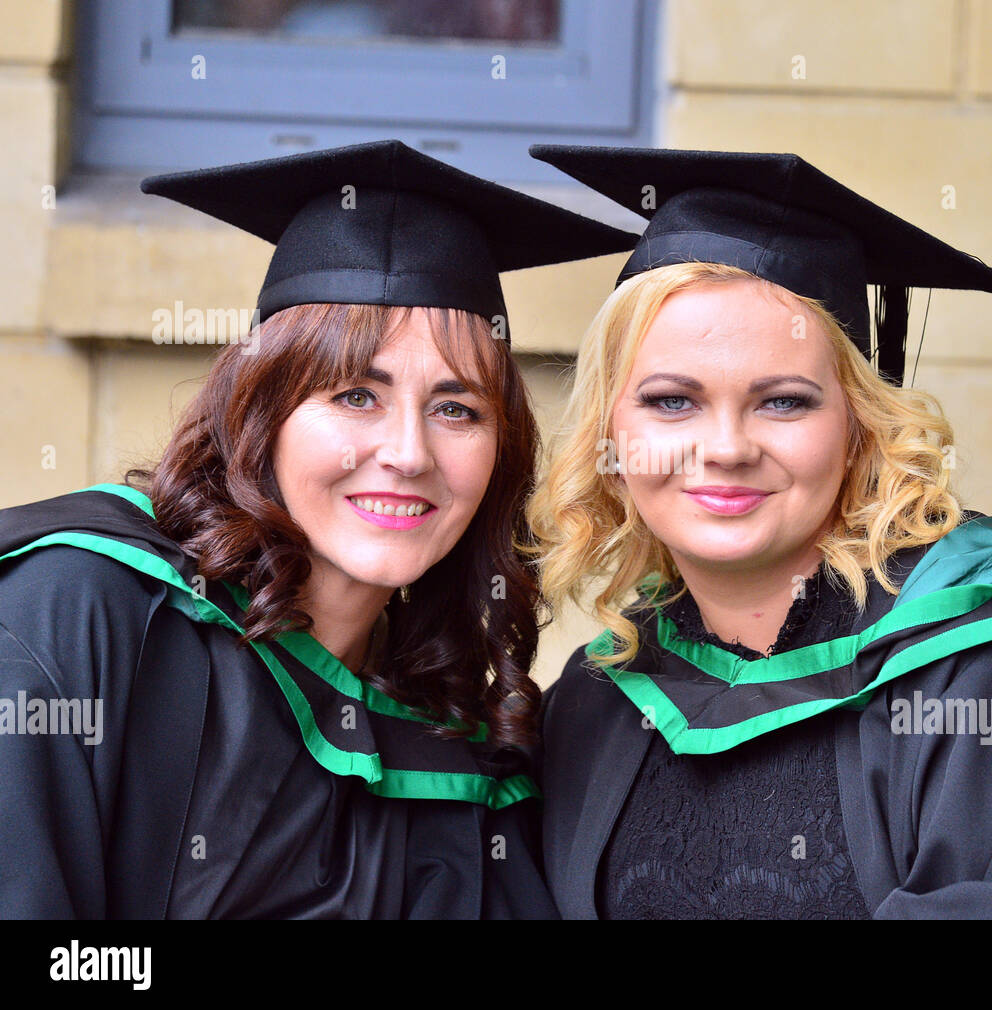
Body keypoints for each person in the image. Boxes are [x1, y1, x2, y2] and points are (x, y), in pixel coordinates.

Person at [526, 145, 992, 919]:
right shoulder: (597, 707)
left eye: (784, 402)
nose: (726, 448)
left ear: (861, 427)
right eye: (671, 401)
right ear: (610, 436)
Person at [0, 139, 636, 918]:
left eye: (457, 409)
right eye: (355, 396)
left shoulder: (459, 746)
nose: (408, 454)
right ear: (261, 413)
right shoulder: (79, 610)